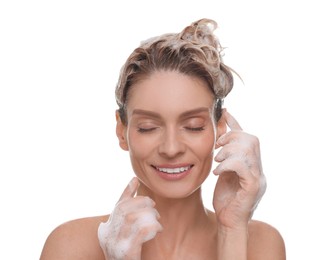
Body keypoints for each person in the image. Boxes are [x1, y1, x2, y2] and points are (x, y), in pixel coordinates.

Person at [40, 18, 286, 259]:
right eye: (148, 127)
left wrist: (231, 230)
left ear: (220, 127)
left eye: (193, 126)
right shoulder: (70, 246)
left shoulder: (260, 245)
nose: (171, 148)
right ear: (121, 131)